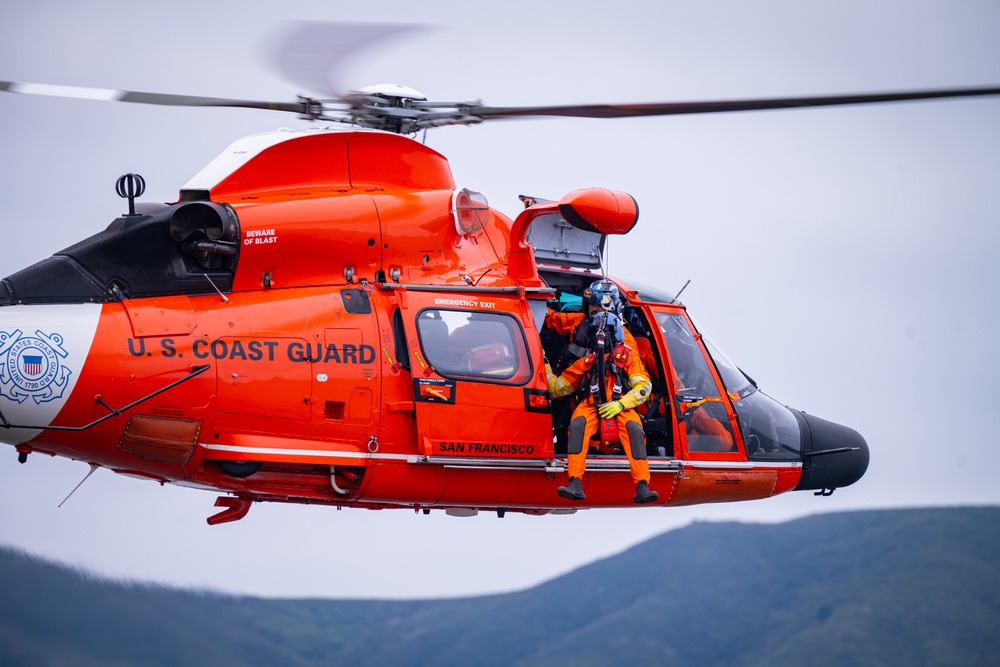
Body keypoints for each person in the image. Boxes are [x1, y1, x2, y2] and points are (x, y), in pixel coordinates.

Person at [545, 281, 658, 504]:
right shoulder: (586, 355)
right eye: (593, 309)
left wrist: (621, 404)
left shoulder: (627, 352)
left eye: (602, 310)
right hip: (589, 403)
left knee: (634, 429)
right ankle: (575, 481)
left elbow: (643, 385)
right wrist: (544, 361)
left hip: (620, 404)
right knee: (577, 426)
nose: (598, 317)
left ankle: (642, 485)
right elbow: (558, 388)